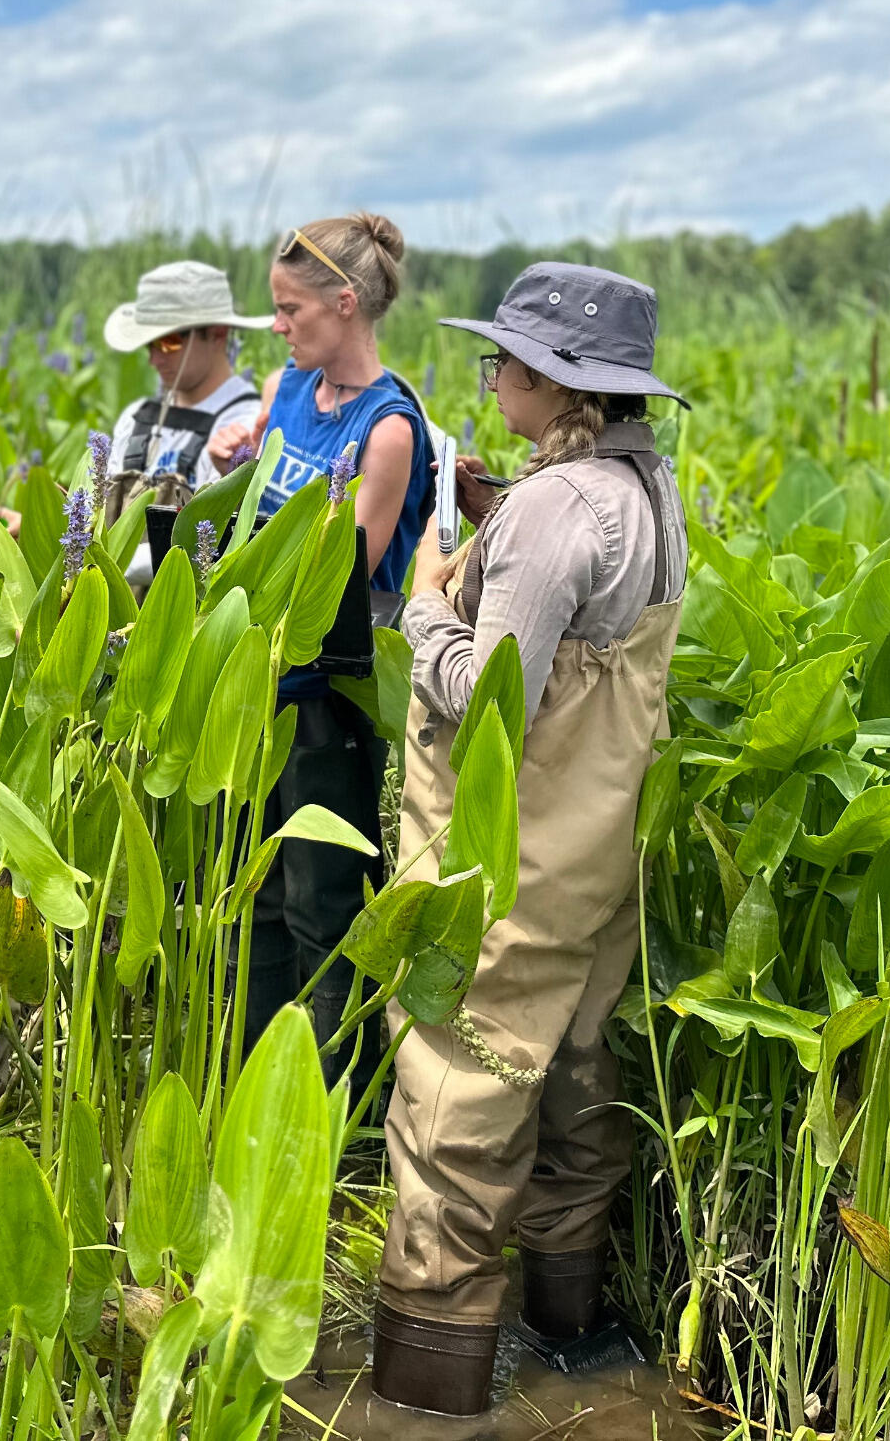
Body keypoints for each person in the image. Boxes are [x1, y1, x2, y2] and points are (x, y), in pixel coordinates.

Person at [369, 263, 689, 1419]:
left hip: (506, 854)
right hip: (592, 859)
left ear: (561, 386)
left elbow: (490, 698)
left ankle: (425, 1393)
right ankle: (575, 1349)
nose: (489, 372)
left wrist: (422, 606)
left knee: (456, 1100)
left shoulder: (558, 510)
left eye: (504, 359)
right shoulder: (645, 488)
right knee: (571, 1093)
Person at [208, 213, 436, 1091]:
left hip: (326, 700)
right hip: (255, 680)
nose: (278, 325)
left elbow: (342, 587)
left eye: (291, 309)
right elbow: (254, 507)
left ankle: (335, 1106)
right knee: (253, 892)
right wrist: (237, 449)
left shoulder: (389, 430)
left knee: (323, 904)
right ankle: (255, 1077)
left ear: (346, 304)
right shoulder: (290, 388)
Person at [97, 261, 269, 554]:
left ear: (217, 334)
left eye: (168, 342)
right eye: (148, 344)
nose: (154, 359)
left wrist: (106, 564)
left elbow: (210, 547)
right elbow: (101, 517)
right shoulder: (135, 416)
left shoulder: (244, 425)